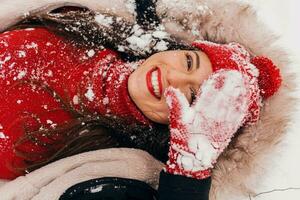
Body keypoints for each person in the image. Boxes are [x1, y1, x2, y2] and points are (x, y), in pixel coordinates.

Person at [0, 11, 281, 200]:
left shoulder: (122, 170)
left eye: (192, 95)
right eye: (188, 62)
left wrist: (189, 174)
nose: (173, 77)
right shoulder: (102, 23)